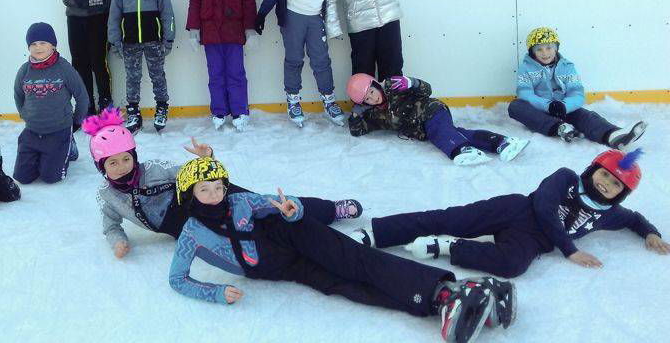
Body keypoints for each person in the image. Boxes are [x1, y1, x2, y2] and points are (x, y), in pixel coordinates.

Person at [168, 156, 518, 343]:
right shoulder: (191, 234)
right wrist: (214, 293)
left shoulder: (241, 200)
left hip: (292, 236)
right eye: (205, 190)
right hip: (284, 269)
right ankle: (447, 301)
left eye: (218, 187)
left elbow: (278, 205)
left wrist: (293, 210)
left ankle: (446, 293)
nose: (215, 195)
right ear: (190, 195)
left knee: (355, 262)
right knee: (346, 287)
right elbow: (177, 279)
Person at [84, 107, 362, 258]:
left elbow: (192, 172)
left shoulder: (153, 169)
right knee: (256, 234)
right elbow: (110, 226)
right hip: (187, 226)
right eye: (112, 163)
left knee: (268, 205)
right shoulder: (108, 196)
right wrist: (118, 241)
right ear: (102, 168)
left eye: (126, 159)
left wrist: (207, 157)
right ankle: (317, 242)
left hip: (203, 195)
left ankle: (328, 210)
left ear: (134, 156)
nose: (122, 167)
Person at [351, 149, 669, 278]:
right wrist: (569, 249)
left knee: (513, 265)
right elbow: (544, 207)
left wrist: (651, 232)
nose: (606, 183)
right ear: (592, 169)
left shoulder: (608, 215)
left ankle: (445, 247)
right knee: (447, 218)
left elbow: (634, 219)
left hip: (530, 241)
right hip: (515, 209)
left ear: (621, 193)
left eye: (615, 184)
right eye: (603, 174)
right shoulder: (566, 177)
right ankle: (376, 234)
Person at [508, 26, 647, 148]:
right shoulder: (526, 68)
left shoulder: (567, 67)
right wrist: (548, 106)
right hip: (538, 110)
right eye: (539, 49)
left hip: (563, 109)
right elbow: (525, 93)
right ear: (533, 52)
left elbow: (577, 93)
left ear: (556, 48)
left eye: (549, 47)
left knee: (585, 115)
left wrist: (564, 106)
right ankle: (559, 128)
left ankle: (612, 135)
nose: (545, 53)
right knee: (516, 106)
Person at [346, 73, 529, 166]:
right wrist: (355, 118)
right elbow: (359, 130)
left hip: (432, 111)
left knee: (440, 132)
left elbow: (427, 90)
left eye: (372, 92)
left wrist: (412, 82)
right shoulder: (376, 115)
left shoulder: (394, 86)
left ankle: (459, 150)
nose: (373, 98)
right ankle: (502, 142)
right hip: (423, 129)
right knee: (455, 133)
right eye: (367, 99)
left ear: (376, 85)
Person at [186, 0, 257, 131]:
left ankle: (239, 111)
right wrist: (194, 29)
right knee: (215, 73)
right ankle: (218, 111)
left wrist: (250, 28)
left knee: (235, 72)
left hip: (233, 29)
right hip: (210, 30)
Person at [108, 0, 175, 133]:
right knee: (132, 77)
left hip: (153, 41)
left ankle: (161, 107)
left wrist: (168, 38)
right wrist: (115, 41)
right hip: (130, 43)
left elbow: (167, 14)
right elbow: (113, 17)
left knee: (157, 75)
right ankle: (133, 111)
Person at [12, 22, 89, 184]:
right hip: (32, 131)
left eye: (42, 43)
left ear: (53, 45)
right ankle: (45, 153)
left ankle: (69, 145)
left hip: (58, 130)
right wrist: (24, 114)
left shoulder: (64, 68)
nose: (37, 47)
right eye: (33, 44)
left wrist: (76, 121)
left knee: (51, 177)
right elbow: (18, 95)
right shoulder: (24, 70)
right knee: (22, 177)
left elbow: (82, 97)